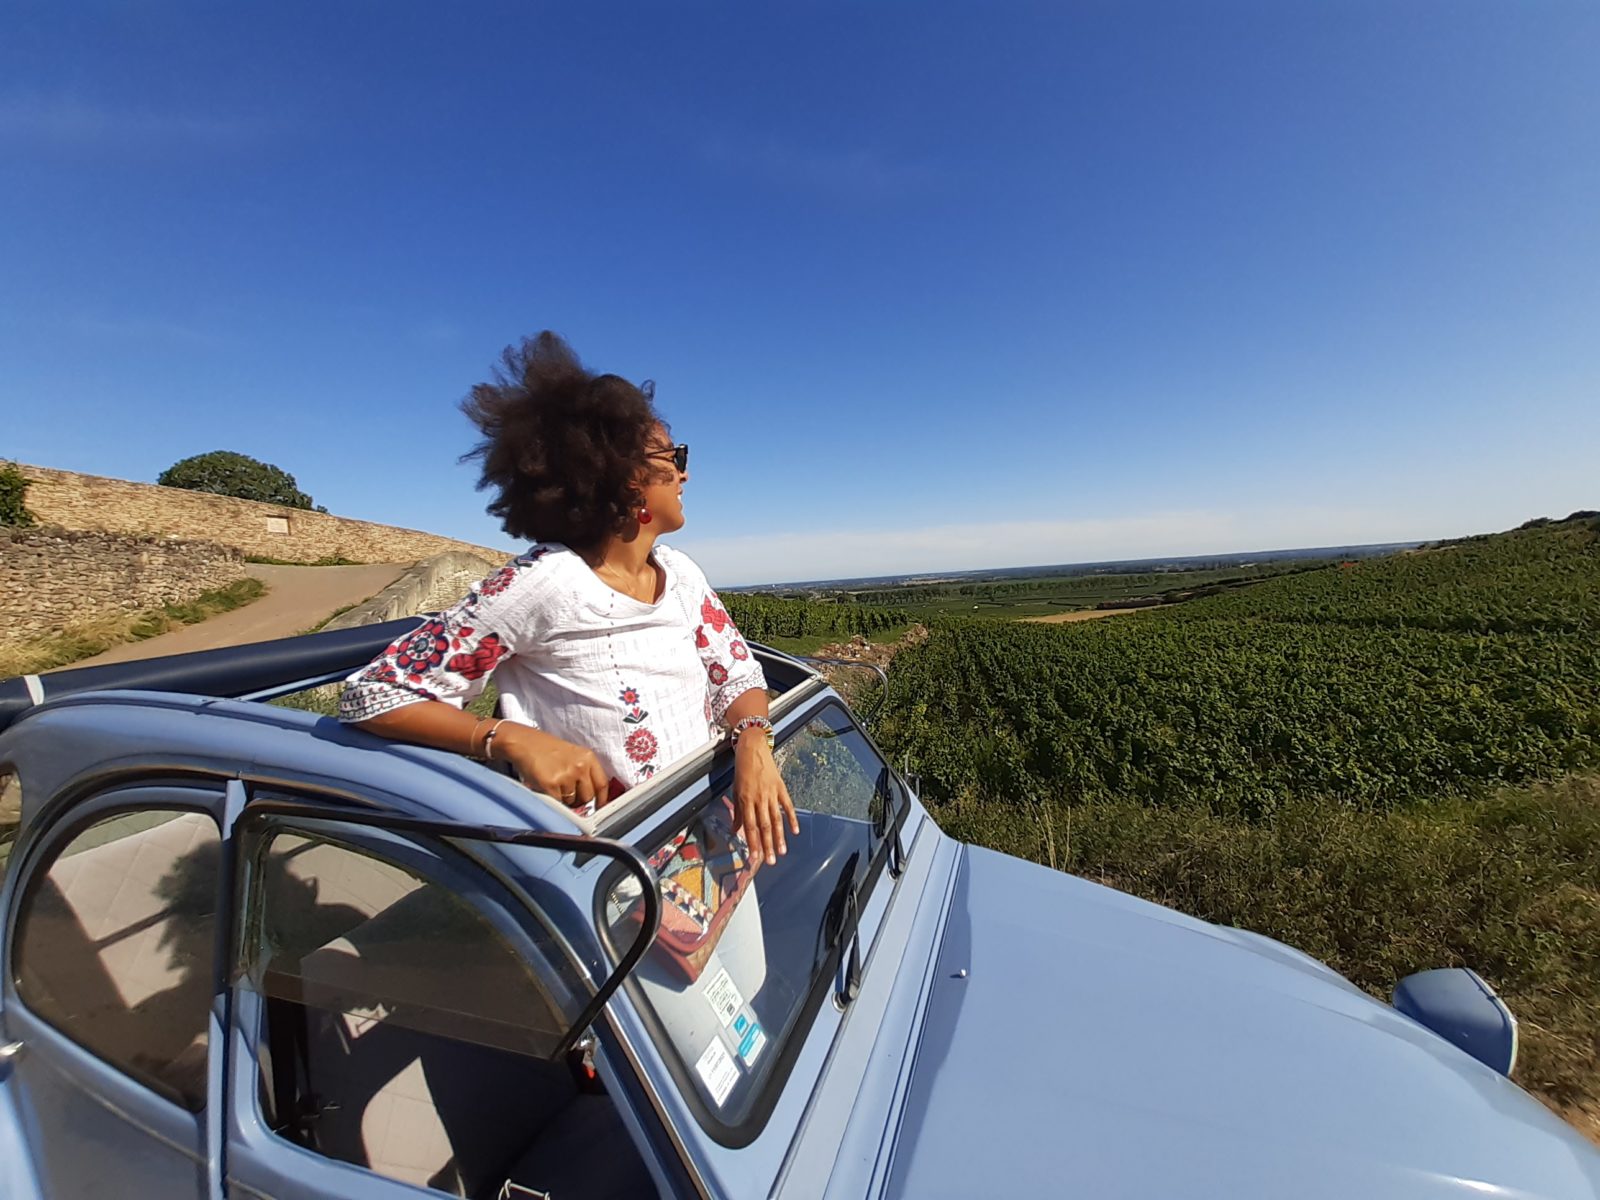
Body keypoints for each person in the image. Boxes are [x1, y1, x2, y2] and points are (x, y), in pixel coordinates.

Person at [338, 332, 798, 864]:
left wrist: (753, 741)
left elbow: (735, 673)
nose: (685, 471)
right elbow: (376, 693)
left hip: (718, 846)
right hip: (610, 878)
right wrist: (507, 738)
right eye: (673, 455)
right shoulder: (542, 584)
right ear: (628, 479)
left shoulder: (680, 574)